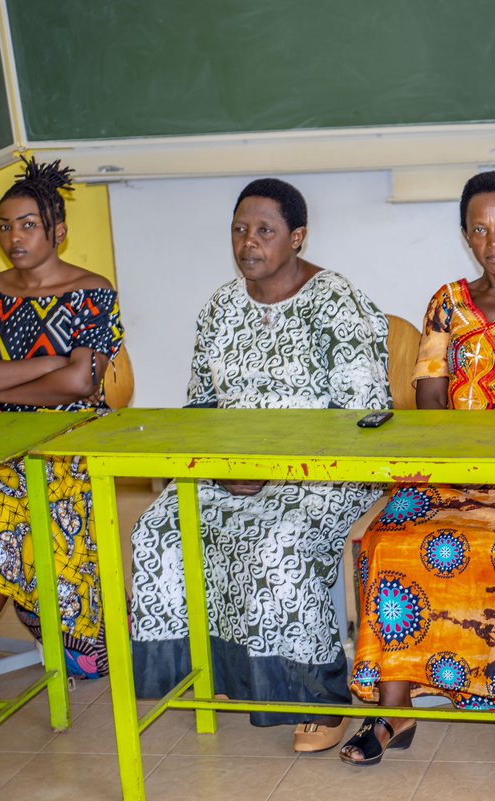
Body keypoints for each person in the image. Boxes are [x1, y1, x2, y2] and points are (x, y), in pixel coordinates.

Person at [128, 178, 390, 753]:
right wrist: (222, 468)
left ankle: (318, 699)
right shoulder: (221, 306)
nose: (249, 242)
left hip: (327, 467)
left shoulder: (335, 302)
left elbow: (363, 414)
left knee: (278, 539)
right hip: (228, 468)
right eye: (240, 229)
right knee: (158, 530)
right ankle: (217, 673)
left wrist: (275, 469)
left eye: (265, 231)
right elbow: (200, 407)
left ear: (296, 237)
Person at [345, 170, 495, 773]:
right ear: (466, 237)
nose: (493, 239)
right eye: (479, 229)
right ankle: (395, 707)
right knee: (387, 539)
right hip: (446, 469)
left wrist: (494, 459)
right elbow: (429, 407)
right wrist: (457, 461)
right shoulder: (446, 303)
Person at [0, 156, 123, 678]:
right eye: (4, 226)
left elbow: (80, 386)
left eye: (28, 225)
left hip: (68, 440)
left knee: (5, 504)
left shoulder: (92, 292)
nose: (14, 237)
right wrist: (50, 364)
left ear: (59, 231)